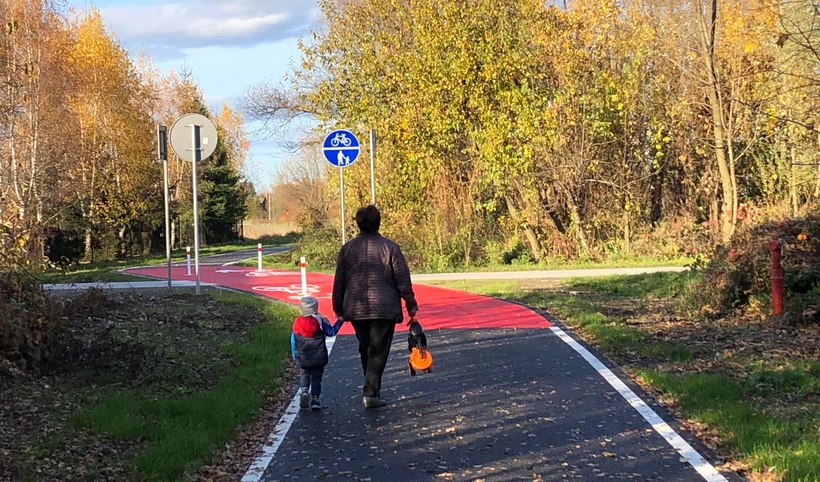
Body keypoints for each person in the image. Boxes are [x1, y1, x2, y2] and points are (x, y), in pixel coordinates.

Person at [332, 205, 419, 409]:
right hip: (384, 308)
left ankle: (371, 387)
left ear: (358, 224)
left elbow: (339, 281)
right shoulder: (390, 248)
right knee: (378, 351)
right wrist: (411, 305)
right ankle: (371, 392)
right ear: (378, 223)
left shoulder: (347, 249)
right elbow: (403, 280)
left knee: (366, 348)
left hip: (356, 307)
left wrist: (338, 307)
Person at [291, 296, 343, 411]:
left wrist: (295, 354)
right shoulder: (319, 321)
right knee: (316, 377)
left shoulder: (297, 323)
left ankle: (304, 390)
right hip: (318, 356)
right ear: (316, 308)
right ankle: (315, 400)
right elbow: (331, 332)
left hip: (303, 356)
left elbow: (293, 341)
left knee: (304, 373)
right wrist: (340, 321)